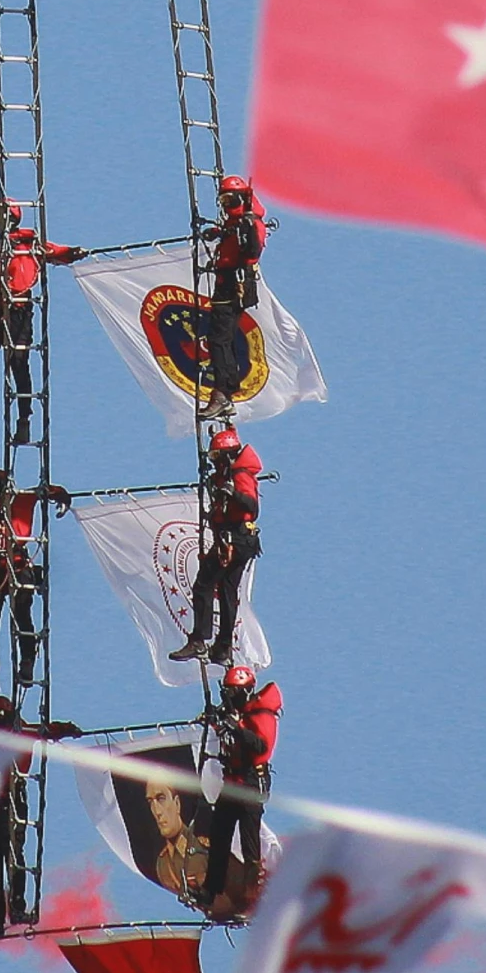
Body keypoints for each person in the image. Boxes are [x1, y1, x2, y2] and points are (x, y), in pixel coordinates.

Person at [0, 198, 85, 447]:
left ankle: (23, 421)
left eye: (0, 219)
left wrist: (74, 252)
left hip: (19, 311)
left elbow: (58, 252)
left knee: (19, 365)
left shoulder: (29, 245)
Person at [0, 694, 81, 940]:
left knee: (13, 855)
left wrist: (67, 729)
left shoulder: (22, 733)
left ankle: (17, 907)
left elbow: (48, 729)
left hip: (12, 800)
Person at [169, 423, 263, 666]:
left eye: (217, 456)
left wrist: (232, 493)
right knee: (227, 592)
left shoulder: (239, 475)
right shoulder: (228, 474)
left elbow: (252, 508)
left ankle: (199, 639)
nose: (214, 462)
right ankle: (223, 648)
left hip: (236, 538)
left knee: (203, 585)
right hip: (241, 540)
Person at [0, 469, 71, 698]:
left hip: (17, 568)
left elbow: (48, 492)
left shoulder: (21, 499)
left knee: (22, 617)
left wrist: (62, 498)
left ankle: (27, 662)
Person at [202, 664, 282, 922]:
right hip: (233, 781)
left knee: (249, 842)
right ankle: (211, 890)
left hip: (250, 782)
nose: (229, 699)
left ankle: (253, 895)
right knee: (220, 836)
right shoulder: (239, 715)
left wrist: (235, 727)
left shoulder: (262, 715)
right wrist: (216, 721)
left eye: (234, 694)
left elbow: (261, 747)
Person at [202, 176, 266, 408]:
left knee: (219, 339)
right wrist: (219, 232)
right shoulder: (236, 223)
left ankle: (223, 391)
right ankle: (226, 388)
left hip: (235, 284)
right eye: (223, 200)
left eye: (230, 199)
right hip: (227, 282)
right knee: (221, 338)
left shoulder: (250, 223)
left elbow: (252, 250)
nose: (227, 205)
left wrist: (243, 229)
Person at [146, 775, 212, 908]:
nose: (157, 811)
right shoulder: (161, 864)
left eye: (161, 799)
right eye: (150, 802)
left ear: (177, 803)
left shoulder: (203, 848)